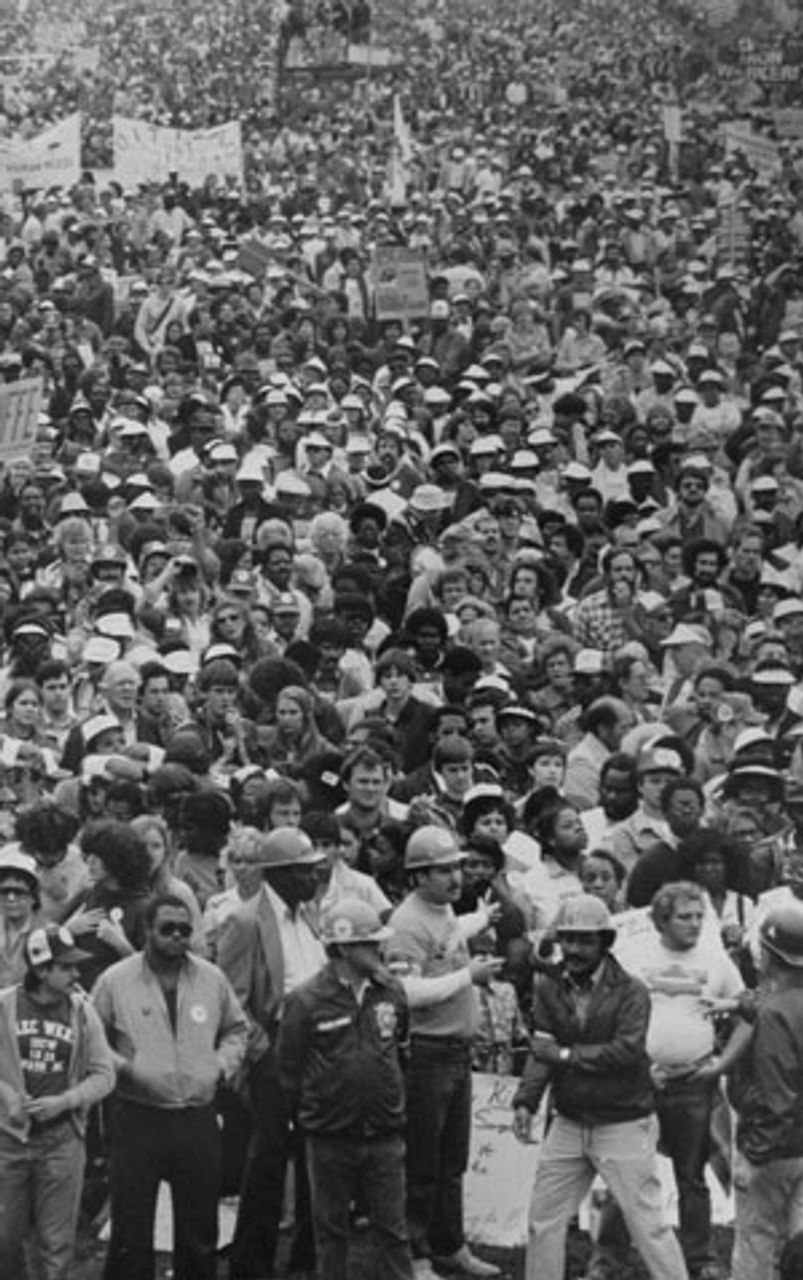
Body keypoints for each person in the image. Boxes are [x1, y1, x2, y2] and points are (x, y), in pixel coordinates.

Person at [512, 895, 689, 1280]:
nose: (573, 949)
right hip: (571, 1120)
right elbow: (541, 1049)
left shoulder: (632, 991)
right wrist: (526, 1101)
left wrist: (563, 1055)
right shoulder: (549, 985)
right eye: (568, 939)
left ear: (605, 943)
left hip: (623, 1121)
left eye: (585, 940)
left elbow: (624, 1053)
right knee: (543, 1222)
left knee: (649, 1227)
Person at [92, 893, 248, 1280]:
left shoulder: (211, 978)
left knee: (199, 1227)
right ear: (146, 931)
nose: (177, 937)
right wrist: (127, 1069)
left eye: (184, 930)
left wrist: (219, 1066)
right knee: (132, 1226)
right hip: (137, 1116)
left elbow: (236, 1029)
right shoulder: (115, 980)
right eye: (167, 929)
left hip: (196, 1117)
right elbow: (92, 1040)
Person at [386, 824, 503, 1280]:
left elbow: (450, 935)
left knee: (452, 1159)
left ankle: (449, 1245)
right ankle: (416, 1256)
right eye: (442, 871)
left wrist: (481, 920)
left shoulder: (443, 910)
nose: (455, 878)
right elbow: (405, 991)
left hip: (454, 1051)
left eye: (456, 867)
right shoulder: (406, 923)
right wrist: (467, 977)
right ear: (418, 876)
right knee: (422, 1162)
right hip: (427, 1054)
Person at [278, 897, 414, 1280]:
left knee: (393, 1230)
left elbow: (401, 1050)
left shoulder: (391, 992)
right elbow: (288, 1069)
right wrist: (310, 1115)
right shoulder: (304, 1001)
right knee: (331, 1231)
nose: (379, 950)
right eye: (370, 943)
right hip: (328, 1136)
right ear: (343, 947)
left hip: (385, 1133)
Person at [217, 826, 327, 1280]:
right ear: (279, 875)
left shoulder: (311, 914)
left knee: (313, 1158)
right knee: (267, 1160)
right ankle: (251, 1262)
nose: (314, 878)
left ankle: (305, 1259)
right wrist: (264, 1056)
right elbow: (232, 999)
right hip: (274, 1051)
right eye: (304, 871)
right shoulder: (245, 922)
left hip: (318, 1047)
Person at [0, 923, 114, 1280]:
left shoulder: (83, 1011)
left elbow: (104, 1075)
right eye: (65, 967)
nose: (75, 973)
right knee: (5, 1240)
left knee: (56, 1245)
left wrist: (65, 1101)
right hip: (8, 1142)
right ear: (41, 969)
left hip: (62, 1140)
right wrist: (6, 1093)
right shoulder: (4, 1006)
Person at [728, 901, 803, 1280]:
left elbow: (777, 1095)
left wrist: (755, 1155)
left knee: (756, 1245)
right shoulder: (773, 1006)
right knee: (798, 1247)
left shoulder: (774, 1012)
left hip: (773, 1147)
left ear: (768, 954)